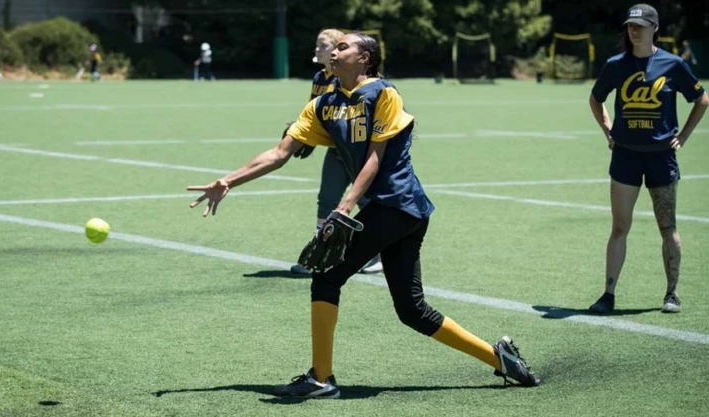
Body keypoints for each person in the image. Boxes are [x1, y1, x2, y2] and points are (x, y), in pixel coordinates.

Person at [187, 32, 539, 398]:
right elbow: (279, 153)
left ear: (365, 59)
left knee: (325, 278)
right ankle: (500, 360)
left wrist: (343, 208)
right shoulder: (323, 104)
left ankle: (321, 379)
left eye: (344, 47)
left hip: (399, 204)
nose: (334, 52)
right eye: (333, 47)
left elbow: (375, 157)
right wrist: (228, 181)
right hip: (393, 211)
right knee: (412, 311)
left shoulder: (383, 93)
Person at [588, 3, 708, 315]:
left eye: (640, 25)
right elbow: (595, 98)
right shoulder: (616, 65)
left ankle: (672, 294)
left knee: (667, 226)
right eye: (630, 25)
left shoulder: (672, 64)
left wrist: (683, 136)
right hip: (625, 157)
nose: (634, 29)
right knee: (619, 227)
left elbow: (701, 98)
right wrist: (607, 130)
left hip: (661, 158)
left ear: (655, 28)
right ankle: (608, 295)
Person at [290, 28, 383, 275]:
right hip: (335, 150)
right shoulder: (320, 78)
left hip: (358, 152)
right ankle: (320, 252)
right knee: (327, 198)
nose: (317, 50)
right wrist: (304, 135)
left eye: (323, 45)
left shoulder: (354, 78)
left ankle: (377, 253)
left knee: (366, 202)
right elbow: (317, 111)